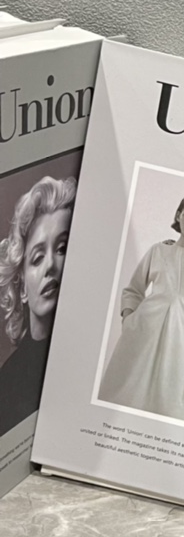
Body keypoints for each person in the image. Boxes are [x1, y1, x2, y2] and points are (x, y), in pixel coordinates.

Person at [98, 195, 184, 421]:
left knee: (167, 410)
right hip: (141, 334)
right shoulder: (158, 250)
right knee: (121, 399)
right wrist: (128, 320)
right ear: (178, 216)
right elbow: (133, 289)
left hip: (180, 343)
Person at [0, 176, 76, 436]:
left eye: (62, 248)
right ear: (22, 287)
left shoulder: (89, 358)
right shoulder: (7, 382)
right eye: (38, 257)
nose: (50, 265)